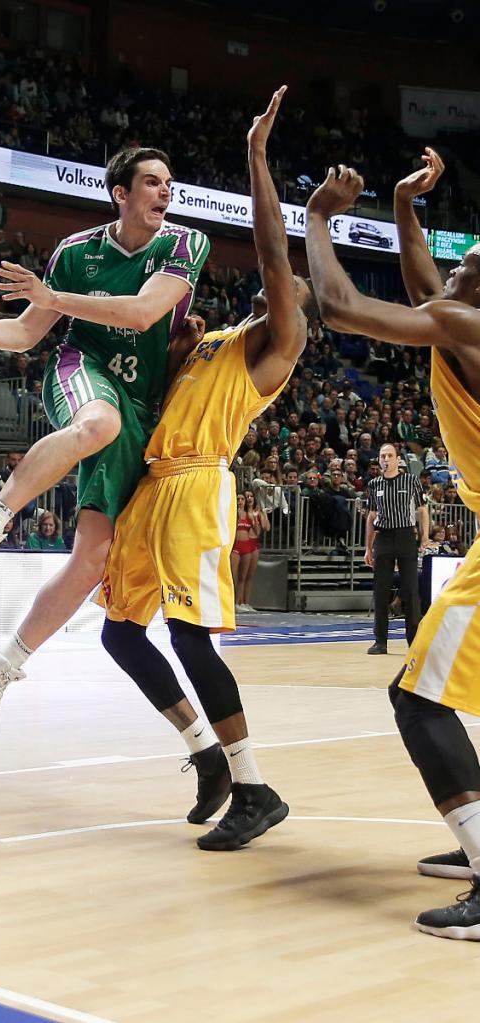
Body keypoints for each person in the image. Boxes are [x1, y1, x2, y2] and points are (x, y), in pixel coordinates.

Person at [96, 87, 310, 851]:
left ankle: (254, 786)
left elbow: (271, 253)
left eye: (287, 291)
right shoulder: (214, 337)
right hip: (152, 485)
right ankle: (207, 757)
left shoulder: (272, 346)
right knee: (119, 634)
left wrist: (255, 155)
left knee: (190, 639)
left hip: (196, 485)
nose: (275, 288)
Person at [0, 146, 209, 735]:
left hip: (146, 402)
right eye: (151, 183)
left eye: (169, 183)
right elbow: (27, 331)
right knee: (97, 425)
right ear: (121, 193)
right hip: (83, 366)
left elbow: (142, 315)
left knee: (93, 559)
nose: (165, 193)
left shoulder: (184, 244)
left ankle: (0, 665)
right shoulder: (74, 251)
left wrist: (51, 298)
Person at [306, 147, 480, 937]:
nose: (453, 264)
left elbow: (340, 307)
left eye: (467, 261)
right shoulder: (458, 319)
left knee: (415, 697)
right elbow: (424, 286)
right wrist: (405, 209)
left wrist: (315, 219)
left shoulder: (463, 321)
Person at [363, 442, 428, 654]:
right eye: (382, 456)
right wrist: (368, 548)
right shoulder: (374, 484)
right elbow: (372, 517)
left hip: (405, 535)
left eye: (390, 455)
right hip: (384, 537)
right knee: (381, 590)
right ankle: (380, 641)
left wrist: (425, 536)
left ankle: (414, 641)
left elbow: (422, 510)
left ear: (397, 459)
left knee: (410, 589)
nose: (386, 459)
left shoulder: (410, 481)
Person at [231, 491, 266, 612]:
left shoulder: (248, 515)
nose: (240, 501)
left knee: (244, 576)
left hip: (247, 546)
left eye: (242, 499)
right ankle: (233, 602)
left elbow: (257, 532)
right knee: (233, 576)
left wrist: (256, 519)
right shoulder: (231, 514)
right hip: (235, 546)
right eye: (238, 499)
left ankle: (242, 602)